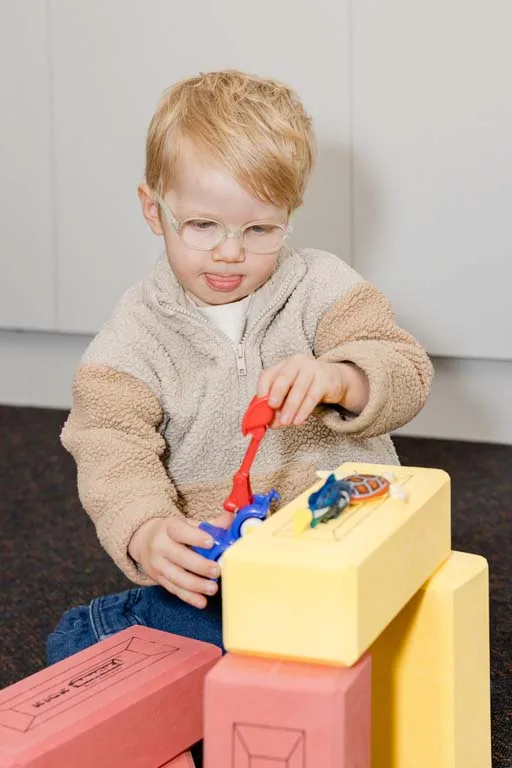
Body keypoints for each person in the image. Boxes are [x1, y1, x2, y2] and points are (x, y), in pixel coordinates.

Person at [47, 69, 433, 666]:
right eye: (203, 225)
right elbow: (109, 445)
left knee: (406, 636)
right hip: (226, 567)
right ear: (154, 210)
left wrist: (343, 377)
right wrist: (146, 528)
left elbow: (405, 369)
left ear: (290, 215)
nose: (231, 251)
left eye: (260, 228)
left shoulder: (324, 287)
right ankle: (106, 628)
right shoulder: (131, 341)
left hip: (344, 537)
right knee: (206, 634)